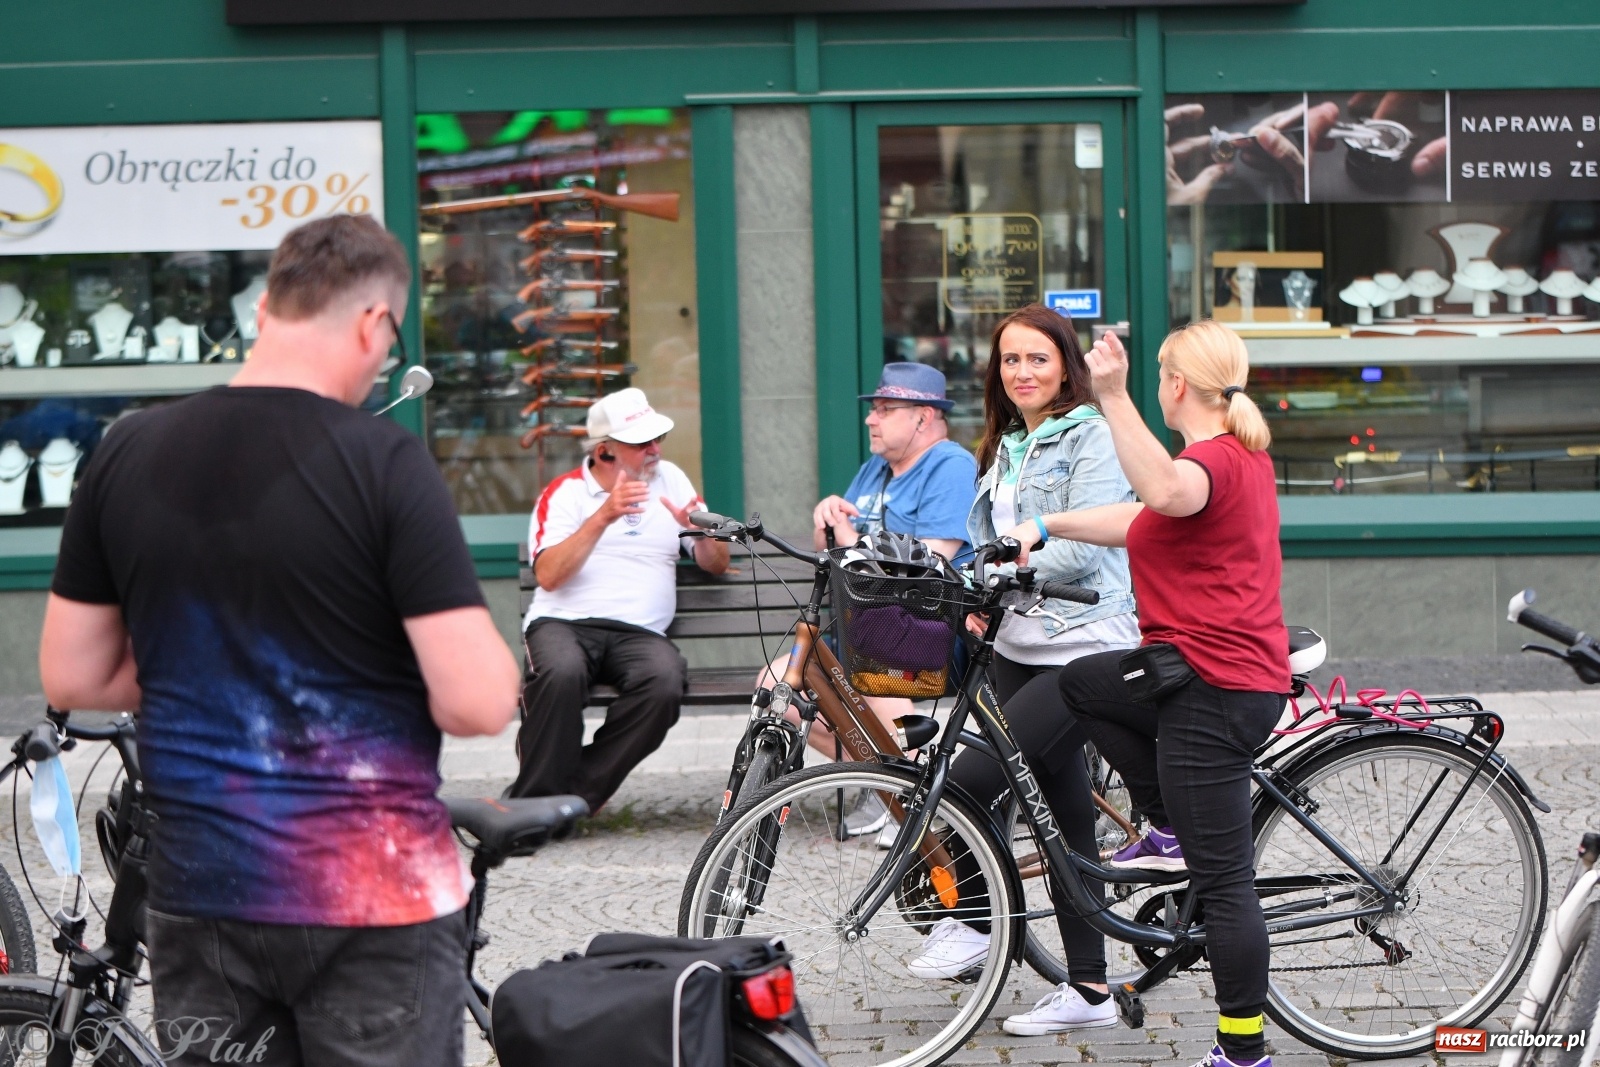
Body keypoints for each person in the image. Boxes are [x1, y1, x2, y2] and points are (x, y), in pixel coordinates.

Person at [38, 214, 520, 1066]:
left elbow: (73, 674)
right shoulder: (384, 462)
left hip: (201, 895)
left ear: (265, 310)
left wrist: (208, 671)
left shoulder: (128, 450)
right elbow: (478, 701)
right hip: (372, 898)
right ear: (374, 324)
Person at [1001, 321, 1289, 1067]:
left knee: (1225, 884)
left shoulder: (1213, 459)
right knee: (1083, 682)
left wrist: (1112, 396)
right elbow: (1143, 515)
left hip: (1214, 690)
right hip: (1191, 673)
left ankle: (1243, 1049)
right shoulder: (1224, 459)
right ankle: (1165, 828)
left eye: (1160, 377)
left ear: (1176, 384)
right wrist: (1043, 524)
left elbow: (1160, 489)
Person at [904, 304, 1140, 1036]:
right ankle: (1090, 991)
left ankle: (976, 921)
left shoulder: (1092, 434)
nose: (1023, 372)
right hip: (1016, 647)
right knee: (1062, 818)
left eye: (1038, 358)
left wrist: (1005, 571)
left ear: (1067, 366)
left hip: (1081, 647)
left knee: (968, 781)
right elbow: (989, 541)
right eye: (1010, 360)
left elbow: (1086, 548)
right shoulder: (1009, 442)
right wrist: (981, 595)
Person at [507, 387, 730, 811]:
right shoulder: (564, 493)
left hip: (640, 632)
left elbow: (717, 565)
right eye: (642, 442)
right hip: (564, 622)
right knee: (560, 674)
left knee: (663, 683)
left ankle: (571, 797)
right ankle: (533, 808)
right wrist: (604, 515)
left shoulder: (671, 479)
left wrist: (703, 534)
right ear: (604, 451)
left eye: (658, 438)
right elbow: (549, 576)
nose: (655, 449)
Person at [793, 362, 977, 834]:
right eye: (873, 409)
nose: (870, 419)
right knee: (782, 684)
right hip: (867, 625)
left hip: (933, 631)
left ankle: (910, 800)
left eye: (884, 409)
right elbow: (830, 553)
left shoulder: (950, 466)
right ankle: (883, 781)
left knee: (878, 665)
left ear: (923, 417)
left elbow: (928, 566)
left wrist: (851, 540)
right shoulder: (875, 468)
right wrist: (825, 519)